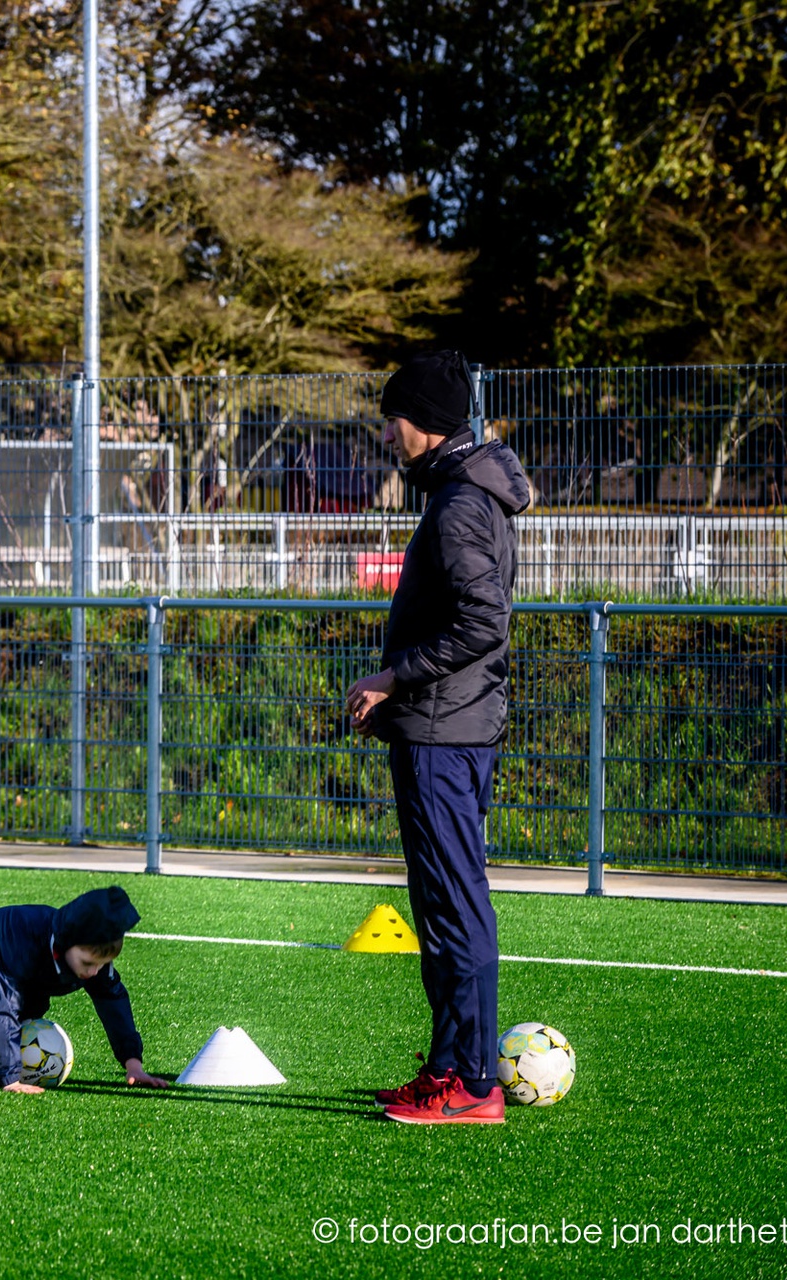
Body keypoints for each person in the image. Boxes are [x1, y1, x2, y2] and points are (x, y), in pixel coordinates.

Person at [345, 350, 532, 1126]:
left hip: (443, 736)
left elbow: (483, 623)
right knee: (439, 905)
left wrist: (394, 678)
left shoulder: (459, 504)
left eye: (392, 418)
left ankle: (475, 1083)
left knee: (456, 906)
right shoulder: (463, 493)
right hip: (445, 728)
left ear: (421, 421)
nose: (388, 433)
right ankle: (449, 1066)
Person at [0, 886, 168, 1093]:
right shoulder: (23, 943)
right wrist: (9, 1078)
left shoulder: (93, 956)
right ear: (65, 944)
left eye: (102, 964)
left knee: (33, 1006)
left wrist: (133, 1064)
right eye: (87, 963)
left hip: (20, 969)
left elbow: (112, 1002)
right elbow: (3, 1005)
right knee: (7, 1008)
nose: (94, 972)